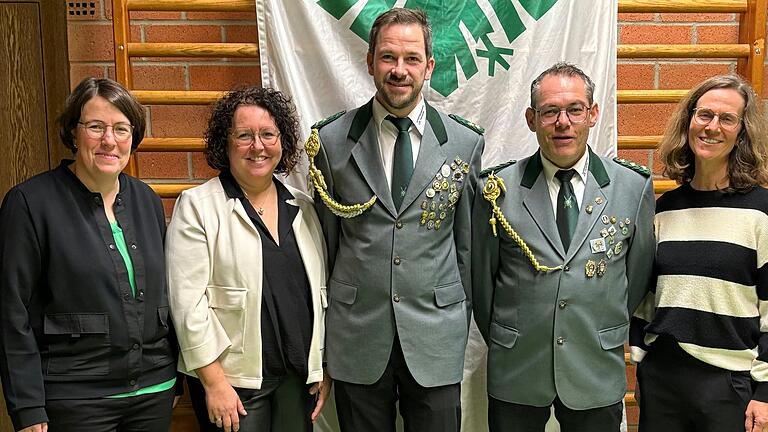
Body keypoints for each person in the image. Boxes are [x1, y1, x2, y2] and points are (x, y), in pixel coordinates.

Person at [306, 7, 484, 432]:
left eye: (411, 59)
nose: (399, 70)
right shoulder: (330, 142)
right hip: (357, 335)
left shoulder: (464, 142)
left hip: (436, 336)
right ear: (369, 62)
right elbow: (326, 247)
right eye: (388, 57)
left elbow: (467, 249)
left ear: (429, 67)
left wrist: (456, 320)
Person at [471, 62, 655, 432]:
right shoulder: (497, 188)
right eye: (550, 111)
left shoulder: (631, 187)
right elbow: (481, 282)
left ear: (593, 114)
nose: (563, 122)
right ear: (531, 118)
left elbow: (634, 279)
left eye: (575, 110)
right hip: (518, 364)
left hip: (594, 363)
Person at [0, 77, 179, 432]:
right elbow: (10, 310)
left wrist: (174, 374)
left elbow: (168, 295)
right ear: (73, 132)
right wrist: (28, 406)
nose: (109, 140)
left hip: (155, 391)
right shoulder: (30, 203)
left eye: (121, 129)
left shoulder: (146, 200)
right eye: (96, 127)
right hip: (75, 397)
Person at [166, 86, 330, 432]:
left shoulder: (303, 207)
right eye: (244, 135)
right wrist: (213, 383)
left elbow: (319, 294)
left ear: (282, 141)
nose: (258, 146)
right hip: (232, 383)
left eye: (268, 134)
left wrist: (321, 365)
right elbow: (187, 306)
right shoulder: (198, 206)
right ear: (225, 145)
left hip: (296, 379)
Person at [629, 74, 768, 432]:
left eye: (727, 119)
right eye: (704, 115)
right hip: (662, 378)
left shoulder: (762, 212)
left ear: (742, 132)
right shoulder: (665, 209)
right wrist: (642, 360)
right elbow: (648, 296)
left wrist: (765, 391)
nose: (712, 127)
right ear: (689, 120)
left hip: (729, 384)